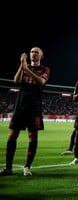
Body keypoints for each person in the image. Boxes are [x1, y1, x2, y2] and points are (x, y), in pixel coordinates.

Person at [0, 47, 50, 176]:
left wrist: (27, 70)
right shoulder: (24, 66)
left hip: (35, 108)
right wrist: (22, 66)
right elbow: (16, 81)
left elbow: (41, 81)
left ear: (41, 56)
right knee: (12, 135)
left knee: (32, 136)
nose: (34, 54)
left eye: (37, 52)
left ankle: (27, 167)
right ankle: (8, 168)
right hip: (20, 107)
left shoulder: (44, 69)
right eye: (32, 52)